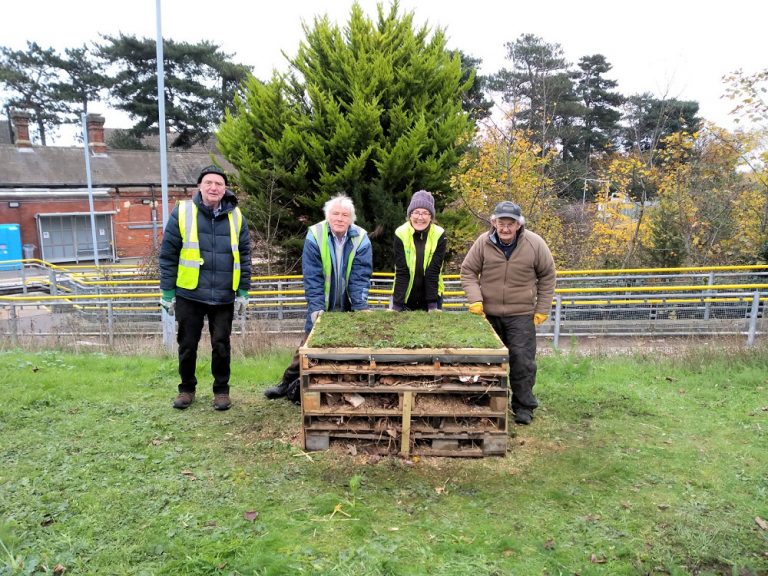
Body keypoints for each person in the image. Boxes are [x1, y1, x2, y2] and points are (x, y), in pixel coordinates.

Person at [159, 164, 252, 411]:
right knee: (187, 345)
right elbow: (168, 255)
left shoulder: (237, 216)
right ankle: (186, 389)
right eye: (209, 182)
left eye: (219, 184)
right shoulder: (182, 212)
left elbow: (244, 256)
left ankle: (221, 391)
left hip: (223, 294)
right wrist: (167, 293)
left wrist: (243, 291)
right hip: (190, 293)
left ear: (225, 189)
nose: (214, 187)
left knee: (221, 345)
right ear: (199, 186)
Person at [264, 194, 373, 401]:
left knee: (350, 346)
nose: (340, 218)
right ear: (327, 216)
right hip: (322, 300)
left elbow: (360, 276)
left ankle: (346, 387)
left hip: (348, 303)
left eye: (345, 215)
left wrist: (360, 307)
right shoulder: (315, 234)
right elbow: (312, 275)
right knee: (307, 345)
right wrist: (316, 307)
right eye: (335, 214)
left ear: (351, 219)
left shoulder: (361, 238)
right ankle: (287, 382)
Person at [460, 201, 556, 425]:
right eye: (501, 223)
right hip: (488, 315)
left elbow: (548, 276)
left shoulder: (534, 243)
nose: (505, 228)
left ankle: (523, 407)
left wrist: (542, 309)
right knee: (487, 362)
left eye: (510, 224)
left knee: (522, 362)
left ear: (518, 224)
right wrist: (475, 300)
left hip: (521, 315)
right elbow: (468, 271)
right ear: (494, 223)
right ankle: (485, 401)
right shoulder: (483, 243)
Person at [391, 190, 447, 312]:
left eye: (425, 213)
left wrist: (432, 306)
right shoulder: (400, 233)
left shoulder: (440, 234)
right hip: (404, 296)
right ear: (410, 215)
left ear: (431, 216)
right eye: (416, 212)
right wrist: (397, 305)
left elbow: (434, 271)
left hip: (432, 296)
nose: (420, 217)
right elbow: (402, 271)